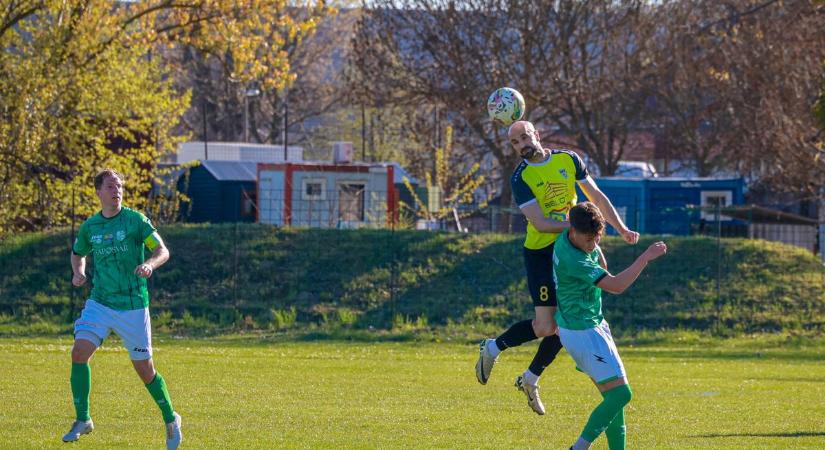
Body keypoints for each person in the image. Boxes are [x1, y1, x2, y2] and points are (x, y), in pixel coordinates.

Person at [475, 121, 639, 415]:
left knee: (568, 322)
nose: (522, 144)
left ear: (537, 135)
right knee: (546, 327)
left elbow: (597, 197)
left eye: (524, 137)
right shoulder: (521, 177)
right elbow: (540, 223)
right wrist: (577, 227)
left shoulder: (568, 160)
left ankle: (530, 378)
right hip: (541, 252)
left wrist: (622, 228)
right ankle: (493, 348)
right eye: (515, 142)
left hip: (571, 245)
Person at [63, 169, 182, 449]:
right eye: (110, 186)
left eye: (119, 186)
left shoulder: (135, 221)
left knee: (145, 370)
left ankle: (171, 417)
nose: (116, 190)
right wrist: (78, 272)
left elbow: (162, 250)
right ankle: (83, 419)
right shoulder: (90, 227)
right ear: (98, 192)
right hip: (100, 302)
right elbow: (78, 254)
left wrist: (149, 264)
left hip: (132, 305)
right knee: (79, 353)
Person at [554, 202, 666, 449]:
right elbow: (616, 286)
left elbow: (602, 266)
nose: (593, 244)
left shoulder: (570, 236)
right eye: (589, 239)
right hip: (582, 331)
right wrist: (645, 257)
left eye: (597, 238)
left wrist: (607, 234)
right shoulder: (575, 260)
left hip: (590, 325)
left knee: (614, 399)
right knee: (621, 394)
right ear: (573, 231)